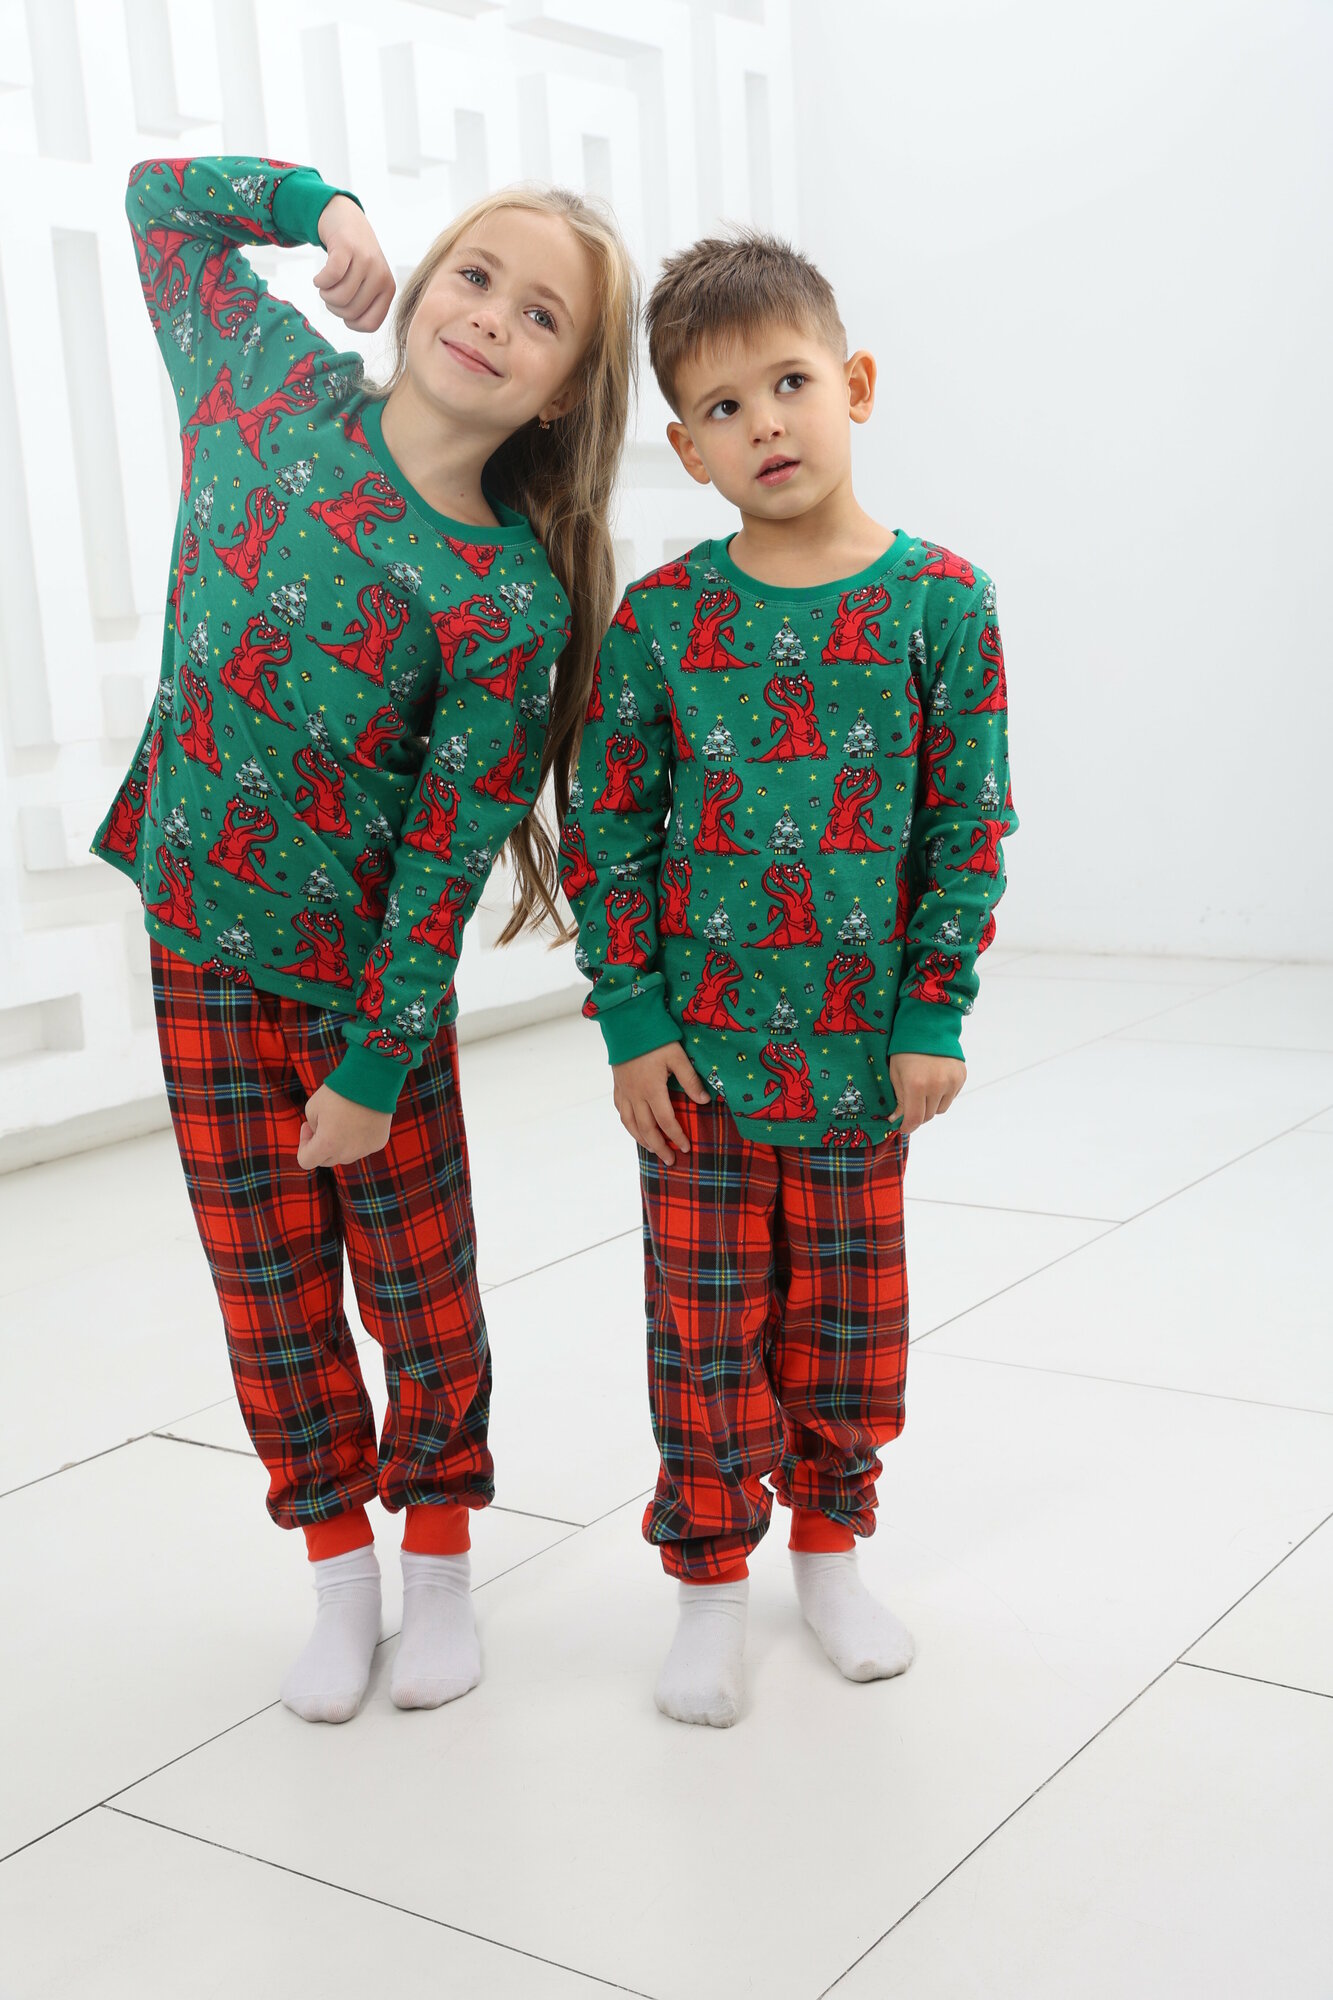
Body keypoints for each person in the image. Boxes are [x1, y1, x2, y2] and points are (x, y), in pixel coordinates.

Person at [92, 154, 635, 1723]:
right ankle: (336, 1571)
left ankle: (442, 1559)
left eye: (542, 317)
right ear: (423, 284)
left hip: (358, 1000)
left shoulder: (506, 603)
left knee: (418, 1291)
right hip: (198, 948)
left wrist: (378, 1060)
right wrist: (317, 210)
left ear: (560, 393)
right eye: (477, 275)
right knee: (265, 1288)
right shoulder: (262, 386)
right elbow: (159, 204)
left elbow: (442, 861)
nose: (493, 318)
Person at [560, 229, 1017, 1726]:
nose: (763, 422)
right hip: (697, 1074)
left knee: (846, 1330)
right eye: (721, 406)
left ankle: (829, 1553)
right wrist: (631, 1020)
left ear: (855, 385)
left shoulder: (943, 604)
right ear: (688, 449)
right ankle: (707, 1587)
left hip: (856, 1068)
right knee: (700, 1336)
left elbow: (964, 823)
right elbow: (608, 825)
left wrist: (932, 1007)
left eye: (790, 383)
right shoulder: (663, 622)